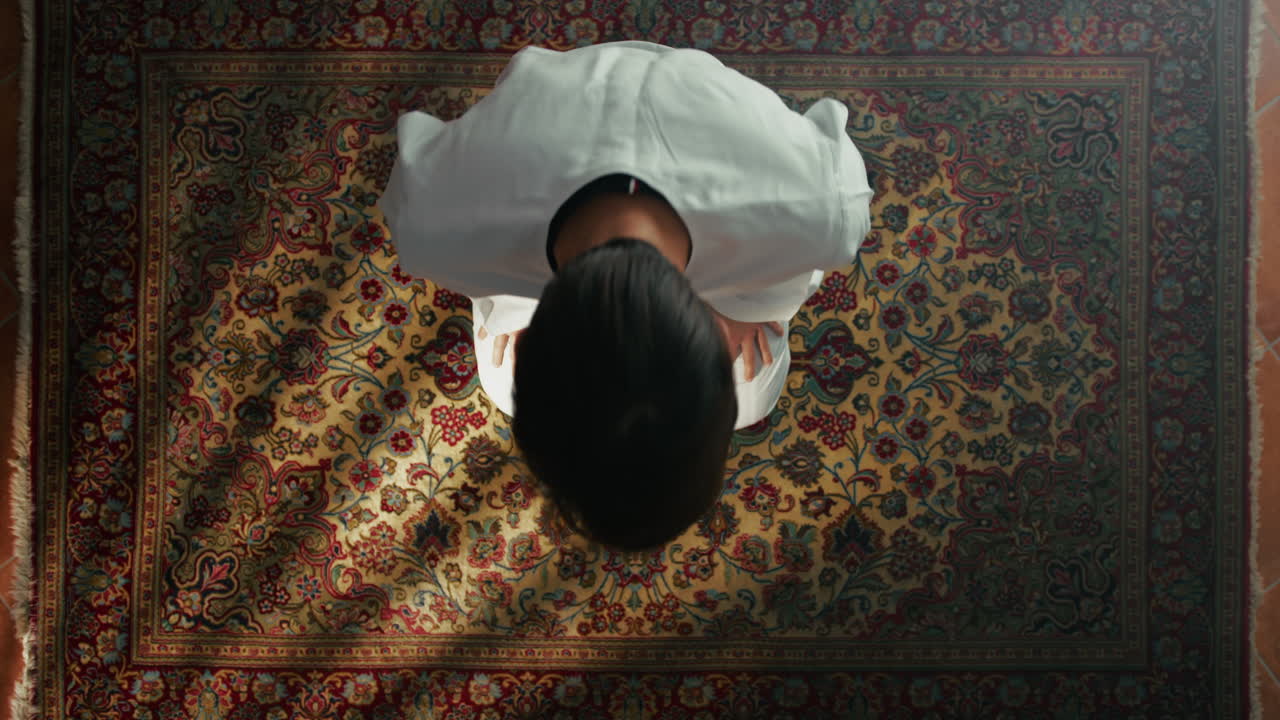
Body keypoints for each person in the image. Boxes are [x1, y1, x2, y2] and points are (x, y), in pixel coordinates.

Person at [379, 40, 873, 552]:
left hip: (653, 120)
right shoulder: (436, 227)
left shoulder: (816, 213)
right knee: (750, 394)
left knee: (748, 396)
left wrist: (750, 305)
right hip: (591, 144)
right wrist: (757, 299)